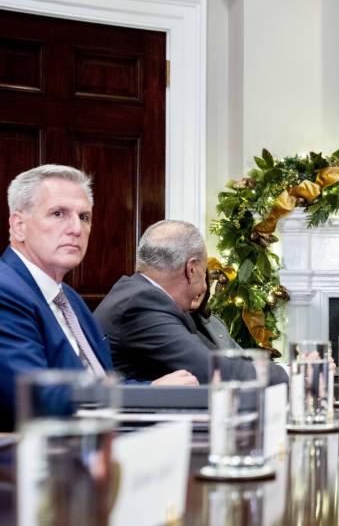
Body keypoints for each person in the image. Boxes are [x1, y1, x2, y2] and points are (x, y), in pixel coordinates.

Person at [0, 165, 196, 430]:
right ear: (18, 226)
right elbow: (37, 400)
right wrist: (145, 396)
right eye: (58, 214)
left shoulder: (68, 298)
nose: (76, 229)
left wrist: (155, 388)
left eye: (84, 217)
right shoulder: (6, 291)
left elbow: (98, 380)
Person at [94, 220, 287, 385]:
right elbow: (212, 370)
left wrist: (282, 369)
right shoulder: (141, 304)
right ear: (192, 269)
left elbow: (216, 355)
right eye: (205, 273)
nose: (204, 287)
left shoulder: (145, 296)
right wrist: (291, 374)